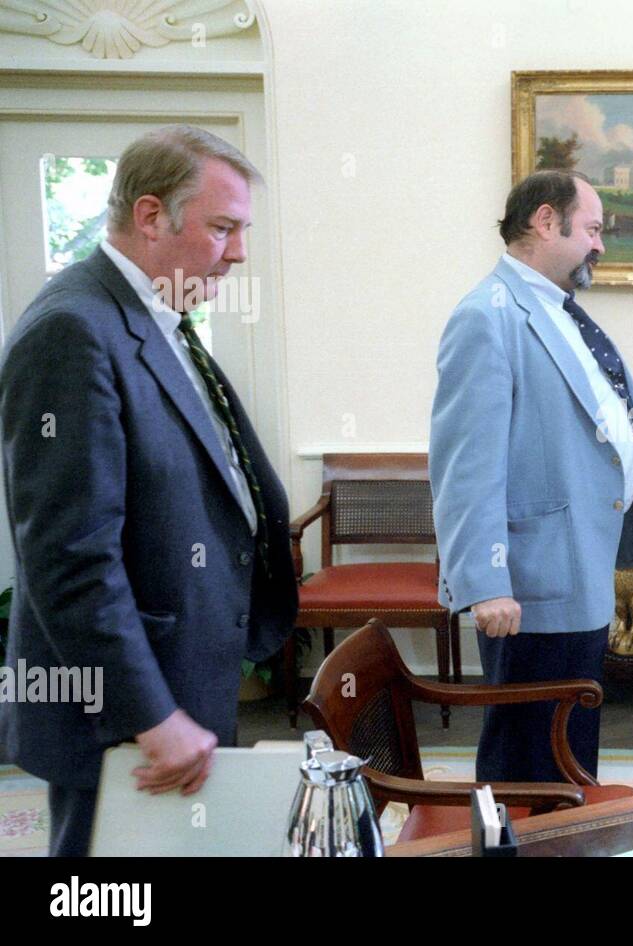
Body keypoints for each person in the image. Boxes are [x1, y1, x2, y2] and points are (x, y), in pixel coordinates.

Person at [0, 126, 297, 855]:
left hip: (179, 677)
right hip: (124, 708)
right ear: (150, 215)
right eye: (222, 228)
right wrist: (150, 714)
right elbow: (69, 558)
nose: (238, 252)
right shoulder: (72, 329)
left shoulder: (153, 315)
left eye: (241, 230)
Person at [429, 170, 633, 783]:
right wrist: (485, 582)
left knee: (569, 752)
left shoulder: (558, 310)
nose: (600, 245)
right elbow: (465, 465)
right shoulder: (486, 316)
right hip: (527, 588)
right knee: (526, 755)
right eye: (593, 229)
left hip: (578, 568)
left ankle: (563, 843)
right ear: (546, 221)